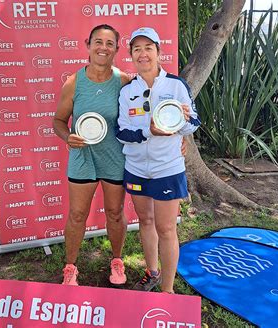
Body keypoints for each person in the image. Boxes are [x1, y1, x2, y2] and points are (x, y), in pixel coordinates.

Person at [116, 27, 200, 293]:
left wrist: (185, 120)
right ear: (131, 55)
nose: (143, 54)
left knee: (166, 228)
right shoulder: (127, 90)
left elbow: (194, 124)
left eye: (148, 48)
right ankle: (152, 272)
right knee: (145, 221)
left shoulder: (176, 85)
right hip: (137, 168)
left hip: (168, 168)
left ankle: (167, 289)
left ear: (158, 52)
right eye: (137, 49)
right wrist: (147, 132)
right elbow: (121, 131)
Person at [53, 24, 131, 286]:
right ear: (88, 45)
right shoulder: (73, 82)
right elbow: (58, 121)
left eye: (110, 44)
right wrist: (67, 137)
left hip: (114, 157)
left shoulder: (124, 81)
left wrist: (176, 136)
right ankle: (70, 267)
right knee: (77, 215)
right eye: (98, 42)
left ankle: (117, 261)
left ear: (117, 49)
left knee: (115, 213)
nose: (103, 48)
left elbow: (146, 111)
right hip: (82, 158)